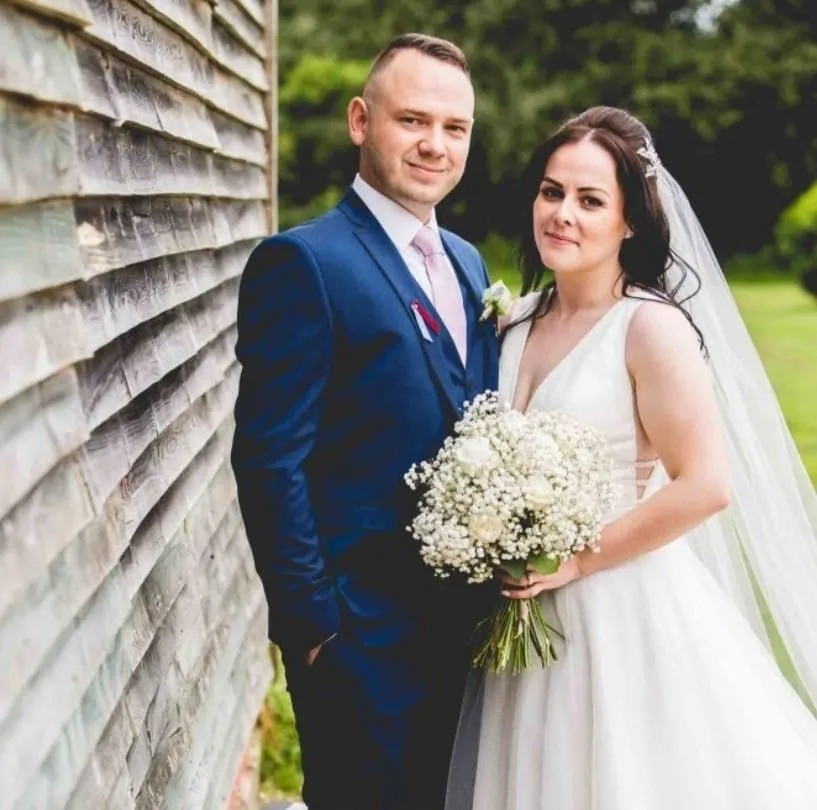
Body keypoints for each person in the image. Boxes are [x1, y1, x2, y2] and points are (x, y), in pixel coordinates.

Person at [445, 106, 817, 809]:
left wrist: (578, 560)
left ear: (630, 223)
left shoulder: (649, 329)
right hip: (525, 617)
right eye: (551, 192)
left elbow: (703, 484)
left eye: (590, 201)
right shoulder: (513, 320)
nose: (562, 214)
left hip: (619, 611)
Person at [231, 34, 499, 810]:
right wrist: (315, 630)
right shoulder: (302, 263)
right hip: (359, 638)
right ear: (360, 120)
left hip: (465, 630)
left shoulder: (468, 262)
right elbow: (268, 460)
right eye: (412, 119)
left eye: (454, 128)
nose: (433, 144)